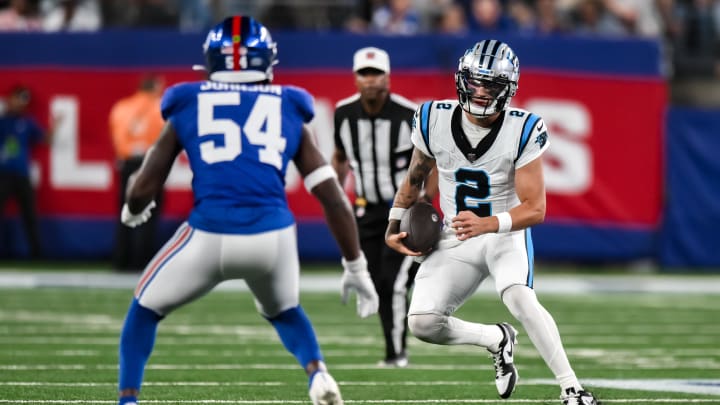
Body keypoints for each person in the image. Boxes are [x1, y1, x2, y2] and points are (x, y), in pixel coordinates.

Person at [116, 16, 378, 405]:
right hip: (272, 238)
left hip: (208, 234)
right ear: (266, 61)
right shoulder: (289, 104)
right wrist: (356, 265)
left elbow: (145, 184)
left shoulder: (188, 99)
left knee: (144, 310)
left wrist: (133, 209)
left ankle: (128, 400)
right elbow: (333, 198)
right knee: (285, 310)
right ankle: (317, 372)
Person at [384, 40, 599, 405]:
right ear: (461, 81)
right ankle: (496, 339)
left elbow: (535, 209)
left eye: (492, 86)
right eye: (475, 82)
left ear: (509, 89)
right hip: (454, 235)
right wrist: (393, 224)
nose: (481, 92)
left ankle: (572, 389)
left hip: (504, 232)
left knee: (520, 297)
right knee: (421, 322)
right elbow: (416, 178)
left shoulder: (523, 127)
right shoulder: (432, 118)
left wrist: (490, 223)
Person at [332, 46, 436, 368]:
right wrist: (335, 195)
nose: (370, 80)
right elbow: (339, 156)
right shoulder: (343, 113)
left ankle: (396, 354)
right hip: (364, 211)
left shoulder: (409, 114)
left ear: (388, 77)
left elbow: (431, 164)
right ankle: (395, 347)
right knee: (376, 282)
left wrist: (425, 204)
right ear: (355, 77)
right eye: (364, 73)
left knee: (392, 283)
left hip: (401, 213)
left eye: (376, 73)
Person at [109, 73, 165, 272]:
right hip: (150, 163)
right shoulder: (159, 106)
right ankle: (142, 261)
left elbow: (116, 136)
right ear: (155, 87)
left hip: (128, 164)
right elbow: (165, 136)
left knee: (127, 211)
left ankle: (121, 260)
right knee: (148, 214)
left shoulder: (122, 107)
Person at [0, 85, 54, 259]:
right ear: (11, 98)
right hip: (3, 174)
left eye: (25, 100)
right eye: (19, 98)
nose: (21, 103)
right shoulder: (3, 121)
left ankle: (36, 254)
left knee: (30, 215)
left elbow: (44, 139)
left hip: (22, 174)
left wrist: (55, 126)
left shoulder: (28, 121)